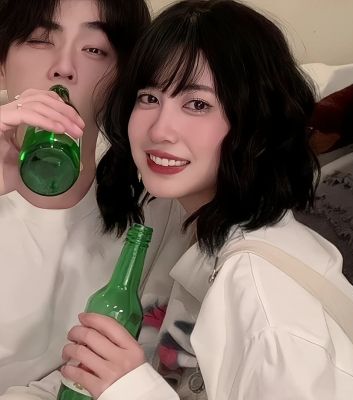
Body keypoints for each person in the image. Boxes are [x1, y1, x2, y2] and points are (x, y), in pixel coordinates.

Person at [4, 0, 353, 399]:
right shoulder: (197, 228)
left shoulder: (263, 300)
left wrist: (132, 389)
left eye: (197, 104)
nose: (161, 129)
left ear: (255, 120)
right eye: (149, 98)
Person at [0, 0, 191, 393]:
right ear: (2, 61)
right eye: (40, 40)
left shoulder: (156, 201)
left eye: (94, 49)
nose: (63, 67)